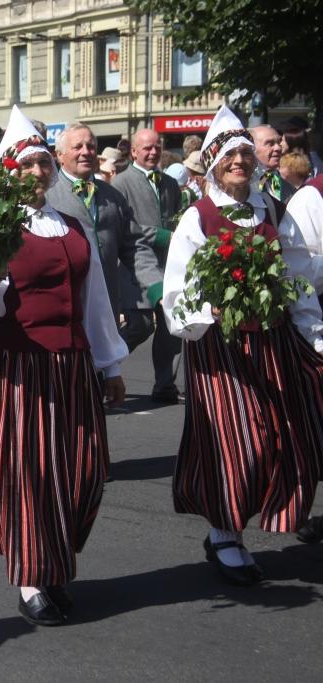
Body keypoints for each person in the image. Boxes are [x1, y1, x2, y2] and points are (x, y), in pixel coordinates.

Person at [0, 106, 127, 626]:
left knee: (83, 470)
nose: (37, 173)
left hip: (70, 365)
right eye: (26, 165)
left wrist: (110, 363)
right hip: (14, 367)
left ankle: (50, 560)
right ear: (8, 170)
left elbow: (93, 298)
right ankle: (32, 577)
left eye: (43, 165)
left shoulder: (70, 225)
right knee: (27, 472)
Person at [162, 105, 323, 585]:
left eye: (246, 156)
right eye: (230, 156)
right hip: (220, 349)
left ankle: (239, 527)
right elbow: (177, 294)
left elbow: (296, 277)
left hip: (273, 343)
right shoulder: (199, 217)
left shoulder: (270, 209)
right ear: (213, 162)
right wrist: (205, 312)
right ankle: (225, 534)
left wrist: (315, 337)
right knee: (239, 444)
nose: (240, 163)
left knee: (287, 436)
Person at [112, 128, 183, 403]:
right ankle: (104, 365)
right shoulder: (121, 184)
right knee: (140, 326)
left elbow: (176, 219)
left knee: (171, 326)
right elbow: (126, 227)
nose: (153, 152)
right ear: (133, 152)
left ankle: (165, 385)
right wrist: (162, 236)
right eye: (146, 148)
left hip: (169, 266)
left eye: (156, 147)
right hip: (135, 268)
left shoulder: (170, 183)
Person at [48, 123, 140, 333]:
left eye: (90, 146)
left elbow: (133, 246)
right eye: (77, 146)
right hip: (65, 310)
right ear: (60, 155)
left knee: (107, 365)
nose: (86, 152)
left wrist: (155, 288)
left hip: (106, 308)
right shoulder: (47, 196)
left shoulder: (113, 196)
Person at [251, 125, 295, 203]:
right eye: (270, 143)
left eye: (279, 142)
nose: (278, 148)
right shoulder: (241, 186)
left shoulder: (289, 188)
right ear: (251, 147)